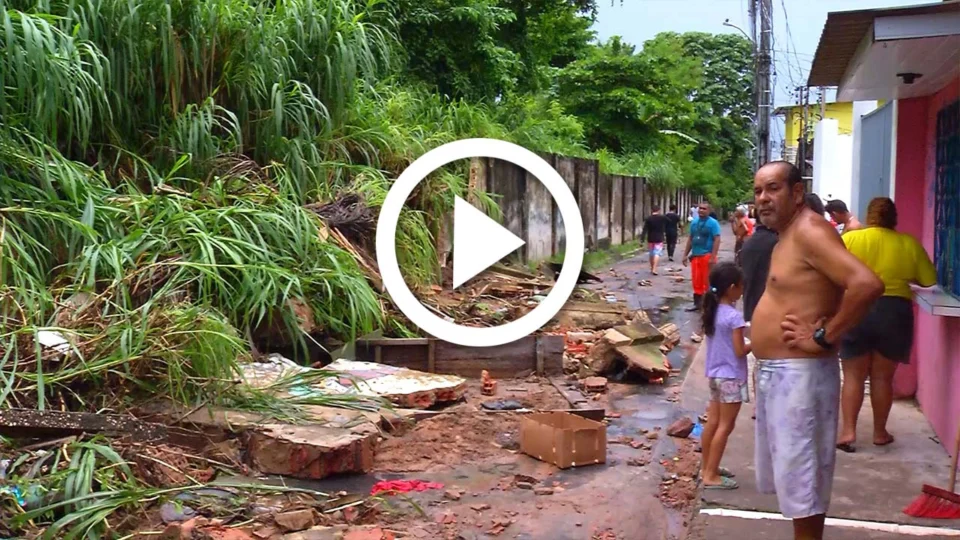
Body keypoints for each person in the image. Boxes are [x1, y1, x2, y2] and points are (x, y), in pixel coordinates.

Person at [750, 161, 883, 540]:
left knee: (804, 486)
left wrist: (824, 335)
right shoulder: (789, 234)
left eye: (773, 188)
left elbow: (866, 284)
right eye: (758, 191)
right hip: (782, 373)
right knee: (795, 484)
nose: (763, 198)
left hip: (800, 376)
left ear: (796, 193)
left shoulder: (809, 230)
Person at [835, 197, 937, 453]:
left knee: (853, 376)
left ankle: (848, 432)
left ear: (869, 216)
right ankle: (880, 432)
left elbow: (833, 273)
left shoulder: (851, 239)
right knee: (882, 378)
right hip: (894, 313)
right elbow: (929, 280)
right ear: (894, 218)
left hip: (856, 307)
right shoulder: (908, 243)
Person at [699, 262, 751, 490]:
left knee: (713, 422)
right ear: (732, 288)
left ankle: (707, 467)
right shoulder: (734, 317)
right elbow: (740, 351)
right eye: (741, 287)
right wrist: (756, 341)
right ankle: (711, 475)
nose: (742, 291)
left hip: (715, 375)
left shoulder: (712, 312)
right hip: (731, 377)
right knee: (725, 426)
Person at [682, 202, 722, 312]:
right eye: (700, 208)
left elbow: (717, 239)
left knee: (708, 281)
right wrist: (685, 255)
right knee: (696, 281)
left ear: (709, 211)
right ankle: (697, 304)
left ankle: (710, 305)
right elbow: (691, 238)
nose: (701, 210)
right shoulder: (694, 222)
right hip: (696, 256)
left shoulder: (713, 223)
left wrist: (713, 256)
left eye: (704, 209)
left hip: (707, 255)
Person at [641, 205, 669, 275]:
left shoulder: (648, 218)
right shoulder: (662, 218)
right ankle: (654, 268)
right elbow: (669, 222)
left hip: (650, 238)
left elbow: (644, 230)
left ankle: (651, 267)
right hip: (659, 238)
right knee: (657, 253)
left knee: (651, 253)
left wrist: (642, 239)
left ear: (652, 210)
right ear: (659, 210)